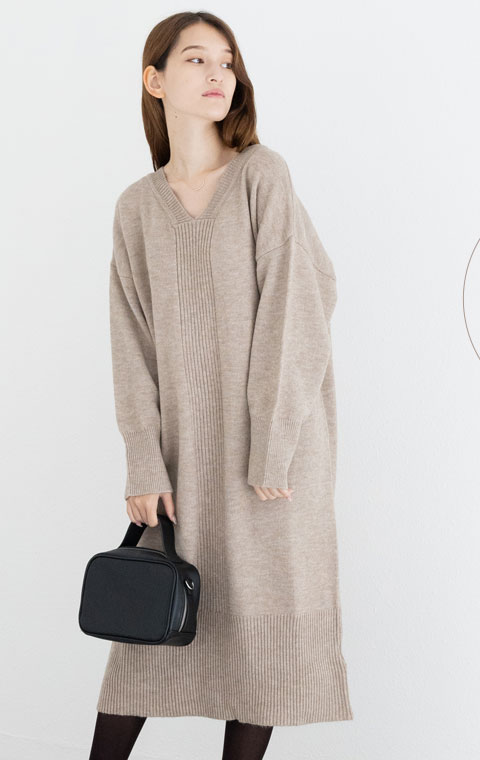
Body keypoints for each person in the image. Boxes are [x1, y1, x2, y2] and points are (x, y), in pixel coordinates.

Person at [89, 11, 353, 760]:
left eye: (228, 62)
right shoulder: (137, 207)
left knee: (260, 652)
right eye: (197, 59)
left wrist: (274, 444)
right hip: (181, 462)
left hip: (274, 459)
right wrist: (143, 460)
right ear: (154, 80)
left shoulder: (262, 175)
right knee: (150, 632)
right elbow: (130, 343)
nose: (217, 75)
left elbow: (298, 310)